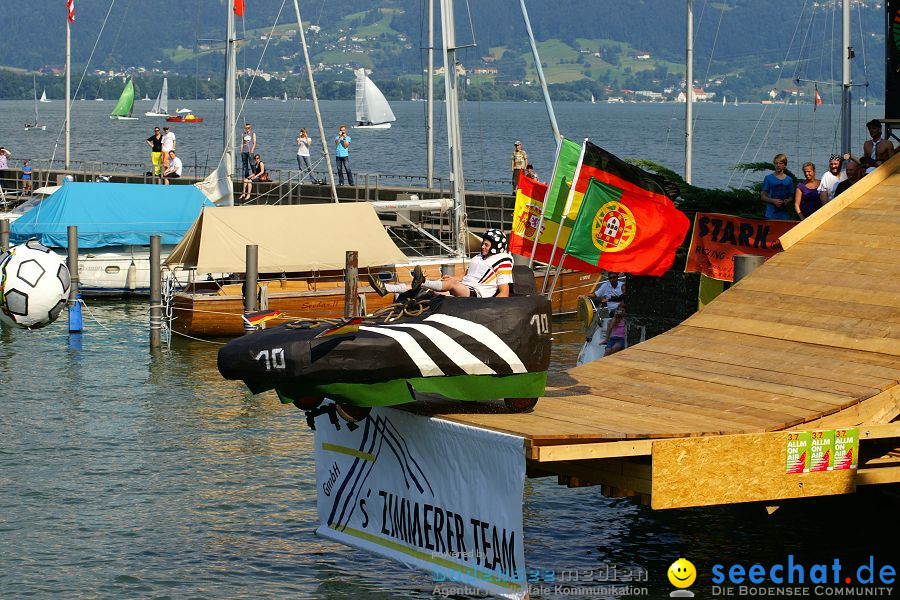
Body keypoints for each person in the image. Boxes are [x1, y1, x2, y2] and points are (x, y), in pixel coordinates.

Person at [369, 229, 514, 299]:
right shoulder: (479, 258)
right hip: (465, 287)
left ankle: (424, 280)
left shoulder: (502, 262)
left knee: (450, 285)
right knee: (428, 286)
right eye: (483, 244)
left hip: (476, 295)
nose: (482, 247)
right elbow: (465, 276)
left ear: (495, 247)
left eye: (486, 245)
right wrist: (450, 278)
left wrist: (489, 307)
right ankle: (387, 288)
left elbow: (504, 292)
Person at [760, 153, 794, 220]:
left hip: (784, 215)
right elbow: (763, 197)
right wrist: (772, 201)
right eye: (776, 163)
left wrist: (788, 200)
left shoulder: (789, 180)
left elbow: (791, 197)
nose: (778, 165)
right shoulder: (768, 178)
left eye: (780, 163)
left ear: (785, 165)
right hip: (771, 215)